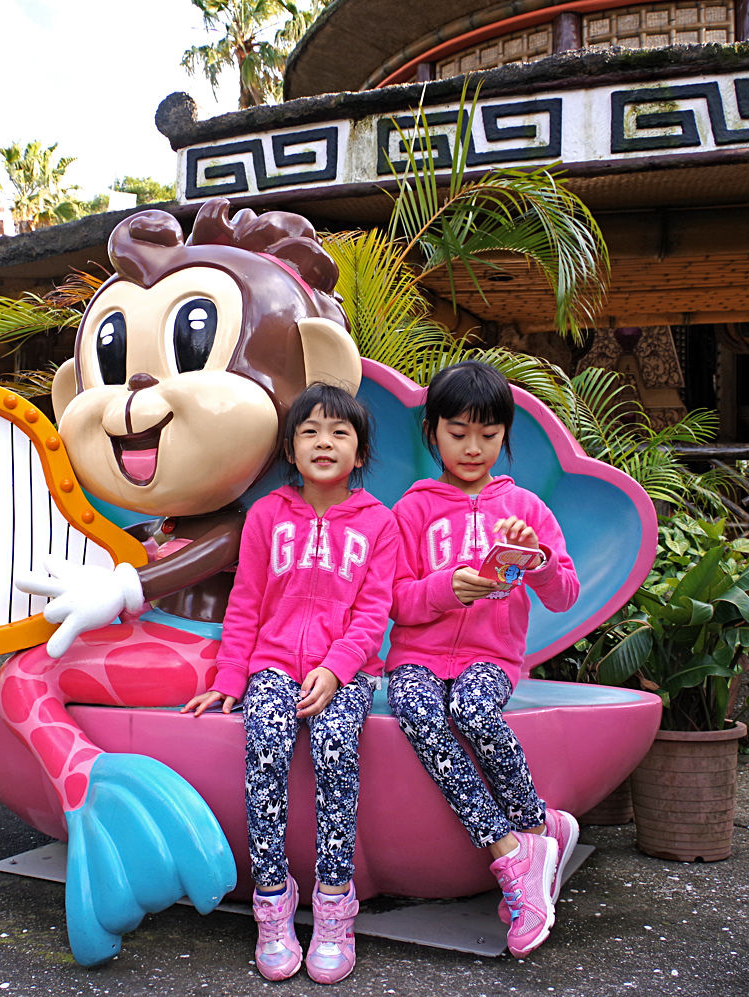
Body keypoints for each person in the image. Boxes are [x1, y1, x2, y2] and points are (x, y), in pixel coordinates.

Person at [183, 384, 398, 984]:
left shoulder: (378, 523)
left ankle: (334, 901)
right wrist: (231, 677)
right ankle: (272, 901)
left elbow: (373, 612)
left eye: (339, 433)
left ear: (359, 454)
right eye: (310, 431)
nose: (324, 442)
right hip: (272, 665)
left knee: (334, 749)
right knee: (268, 740)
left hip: (346, 671)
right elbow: (246, 601)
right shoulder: (266, 516)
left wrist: (336, 669)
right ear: (290, 448)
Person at [385, 360, 582, 959]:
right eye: (458, 432)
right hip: (415, 658)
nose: (473, 447)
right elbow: (397, 601)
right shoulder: (411, 511)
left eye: (489, 434)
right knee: (420, 716)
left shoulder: (524, 508)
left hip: (491, 657)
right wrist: (449, 588)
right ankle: (517, 851)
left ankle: (535, 830)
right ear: (433, 432)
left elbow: (565, 593)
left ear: (505, 435)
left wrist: (539, 560)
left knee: (473, 711)